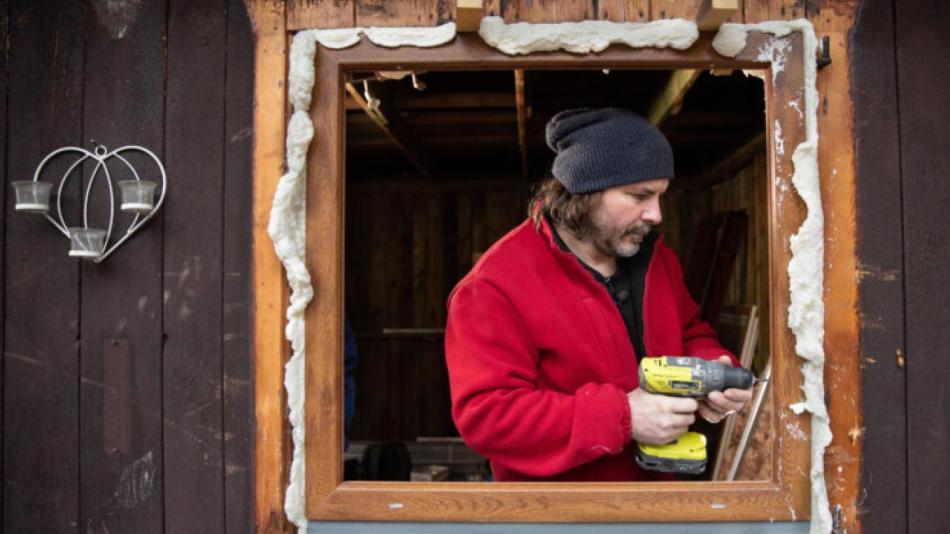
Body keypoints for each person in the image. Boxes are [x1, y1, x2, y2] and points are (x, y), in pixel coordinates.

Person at [444, 108, 752, 482]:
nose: (656, 214)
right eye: (640, 195)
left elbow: (691, 331)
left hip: (658, 504)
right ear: (585, 192)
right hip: (558, 516)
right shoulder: (494, 285)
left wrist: (713, 368)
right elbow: (487, 416)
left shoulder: (658, 259)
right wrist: (623, 416)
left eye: (660, 196)